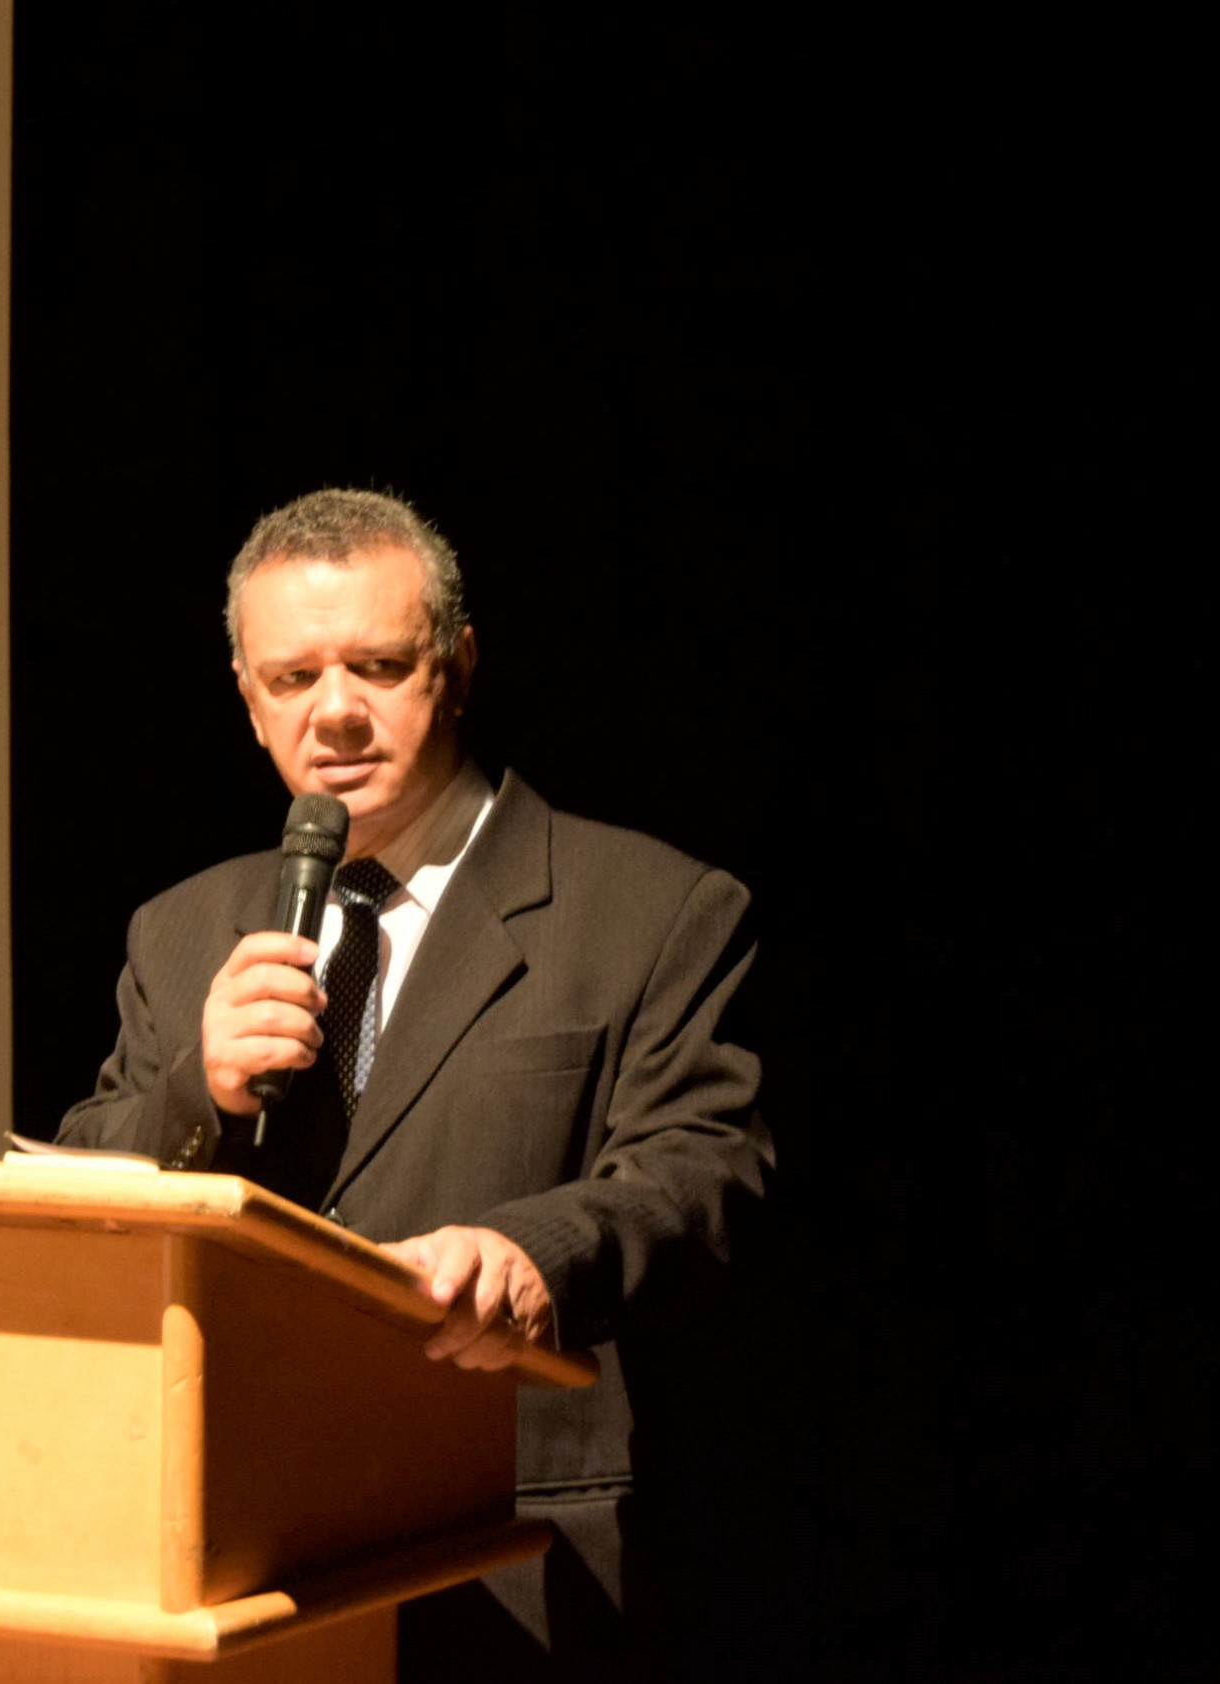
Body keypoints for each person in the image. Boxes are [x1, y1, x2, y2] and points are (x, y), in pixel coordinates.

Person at [56, 487, 769, 1677]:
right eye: (292, 679)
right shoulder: (181, 930)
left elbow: (702, 1173)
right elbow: (81, 1185)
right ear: (246, 696)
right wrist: (202, 1094)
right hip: (235, 1554)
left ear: (458, 662)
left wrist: (536, 1253)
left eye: (378, 665)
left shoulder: (651, 907)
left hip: (513, 1543)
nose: (334, 712)